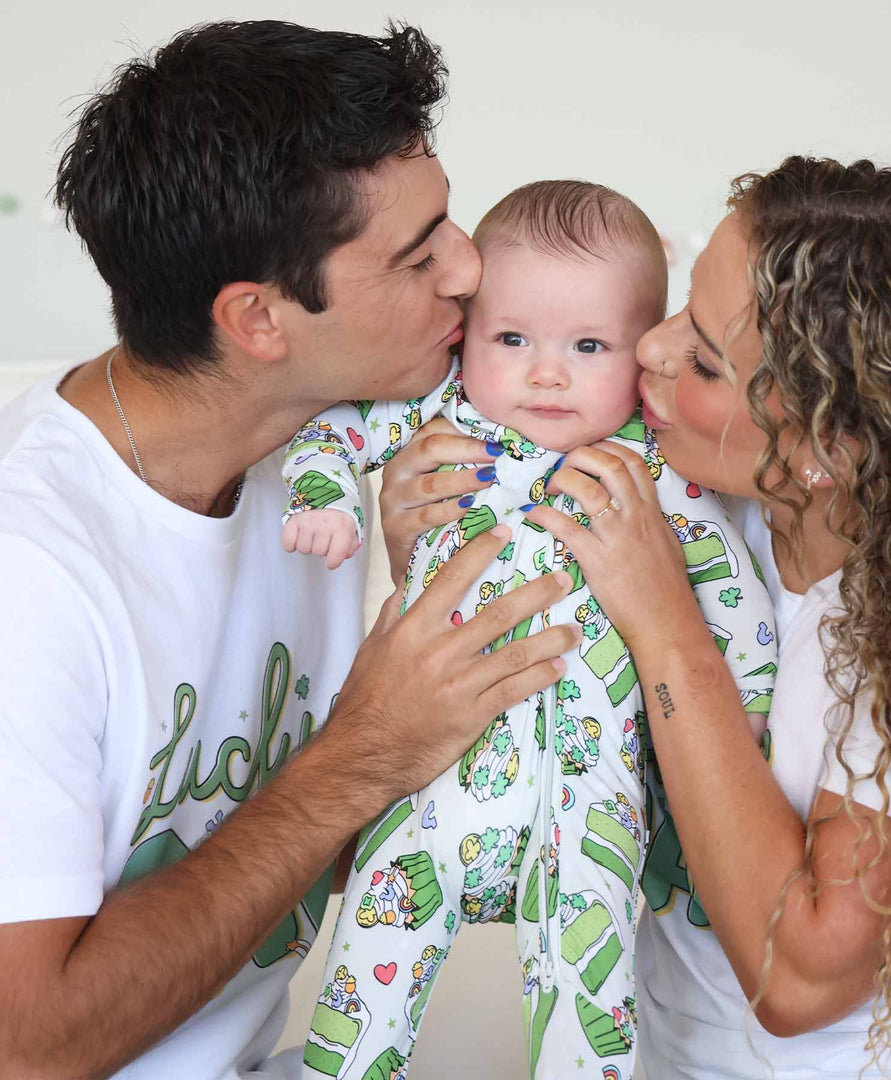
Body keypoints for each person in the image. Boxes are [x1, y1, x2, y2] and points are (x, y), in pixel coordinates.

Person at [0, 21, 579, 1080]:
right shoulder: (27, 581)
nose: (469, 269)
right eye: (421, 251)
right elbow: (26, 1046)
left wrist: (422, 607)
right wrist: (361, 751)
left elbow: (319, 850)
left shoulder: (319, 459)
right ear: (259, 320)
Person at [509, 156, 891, 1077]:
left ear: (827, 447)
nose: (646, 350)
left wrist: (667, 626)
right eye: (679, 313)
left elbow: (800, 979)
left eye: (701, 357)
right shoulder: (725, 493)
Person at [280, 180, 777, 1079]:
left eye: (589, 346)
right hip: (427, 782)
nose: (547, 373)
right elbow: (331, 430)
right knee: (364, 990)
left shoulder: (653, 473)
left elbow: (730, 589)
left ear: (644, 355)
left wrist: (751, 706)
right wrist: (326, 502)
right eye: (513, 339)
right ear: (465, 334)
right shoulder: (438, 426)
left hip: (585, 802)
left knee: (588, 1006)